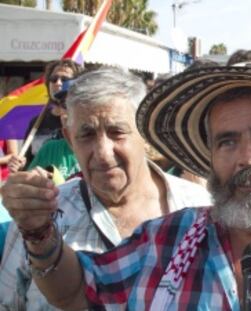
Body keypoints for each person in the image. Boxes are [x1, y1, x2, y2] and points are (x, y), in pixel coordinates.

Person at [4, 65, 251, 310]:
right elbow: (75, 294)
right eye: (226, 141)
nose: (246, 157)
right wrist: (39, 232)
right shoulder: (162, 242)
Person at [0, 67, 211, 309]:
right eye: (87, 135)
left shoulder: (199, 208)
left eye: (116, 132)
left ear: (145, 133)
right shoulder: (38, 219)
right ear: (69, 139)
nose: (102, 153)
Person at [7, 59, 83, 173]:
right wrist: (19, 166)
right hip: (42, 187)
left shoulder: (83, 119)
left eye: (65, 79)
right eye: (53, 79)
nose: (58, 83)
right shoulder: (37, 122)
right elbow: (29, 163)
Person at [26, 79, 81, 181]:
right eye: (64, 104)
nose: (69, 110)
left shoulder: (101, 148)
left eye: (74, 103)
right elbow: (27, 187)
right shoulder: (49, 149)